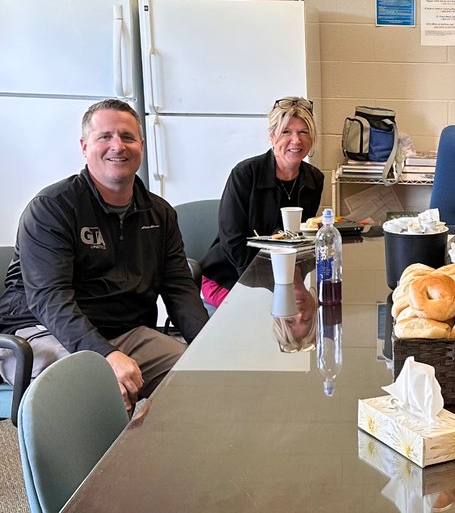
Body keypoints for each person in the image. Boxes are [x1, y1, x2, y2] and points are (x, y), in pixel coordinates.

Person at [0, 99, 209, 410]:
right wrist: (105, 354)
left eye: (127, 137)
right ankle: (107, 460)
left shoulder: (159, 213)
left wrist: (210, 344)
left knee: (198, 375)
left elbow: (179, 287)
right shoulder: (52, 208)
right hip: (44, 329)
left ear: (141, 145)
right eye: (105, 137)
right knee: (103, 387)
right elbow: (50, 297)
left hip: (124, 329)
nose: (117, 146)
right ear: (85, 146)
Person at [199, 96, 323, 308]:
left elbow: (300, 239)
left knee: (304, 313)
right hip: (229, 276)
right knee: (258, 316)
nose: (296, 140)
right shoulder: (245, 174)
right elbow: (232, 241)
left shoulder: (314, 179)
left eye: (303, 132)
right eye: (286, 132)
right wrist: (265, 288)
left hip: (281, 277)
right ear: (272, 136)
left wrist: (291, 282)